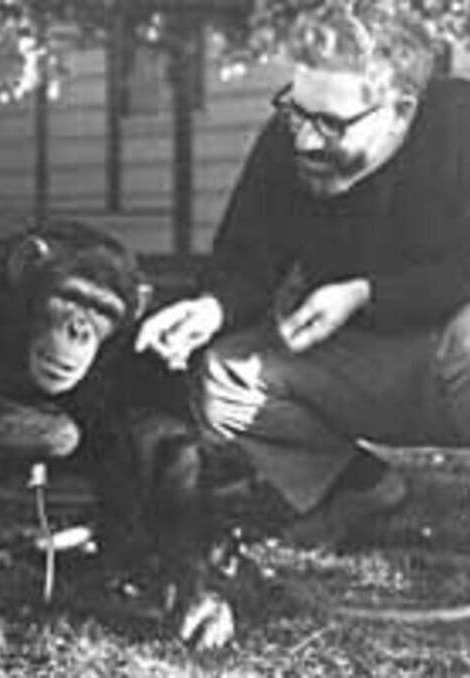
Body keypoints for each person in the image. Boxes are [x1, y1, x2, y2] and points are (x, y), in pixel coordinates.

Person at [136, 1, 470, 548]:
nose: (306, 141)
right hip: (369, 364)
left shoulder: (462, 128)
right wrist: (212, 308)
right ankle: (356, 490)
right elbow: (248, 256)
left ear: (402, 109)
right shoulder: (286, 139)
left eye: (331, 124)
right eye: (295, 110)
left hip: (457, 351)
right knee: (225, 376)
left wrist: (366, 294)